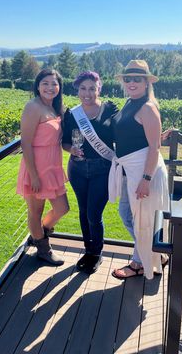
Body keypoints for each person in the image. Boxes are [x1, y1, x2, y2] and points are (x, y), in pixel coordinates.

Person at [109, 60, 170, 280]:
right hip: (130, 170)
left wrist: (146, 179)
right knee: (129, 215)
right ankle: (155, 253)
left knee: (142, 219)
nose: (132, 82)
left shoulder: (148, 107)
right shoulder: (129, 102)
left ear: (146, 83)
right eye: (128, 79)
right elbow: (140, 137)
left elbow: (154, 148)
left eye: (137, 79)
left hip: (145, 172)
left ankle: (139, 263)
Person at [62, 71, 118, 274]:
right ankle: (88, 250)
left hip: (102, 169)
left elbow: (124, 132)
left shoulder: (109, 109)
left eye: (92, 88)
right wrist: (71, 149)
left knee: (94, 213)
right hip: (77, 168)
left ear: (99, 88)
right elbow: (65, 142)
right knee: (83, 212)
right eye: (83, 88)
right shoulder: (72, 113)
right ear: (77, 90)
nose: (87, 93)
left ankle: (97, 253)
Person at [16, 68, 69, 265]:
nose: (50, 87)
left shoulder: (55, 107)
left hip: (52, 167)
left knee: (62, 208)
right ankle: (43, 249)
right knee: (35, 212)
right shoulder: (33, 107)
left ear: (59, 87)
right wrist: (34, 176)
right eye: (45, 83)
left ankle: (39, 233)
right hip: (36, 168)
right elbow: (25, 143)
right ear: (38, 86)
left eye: (54, 84)